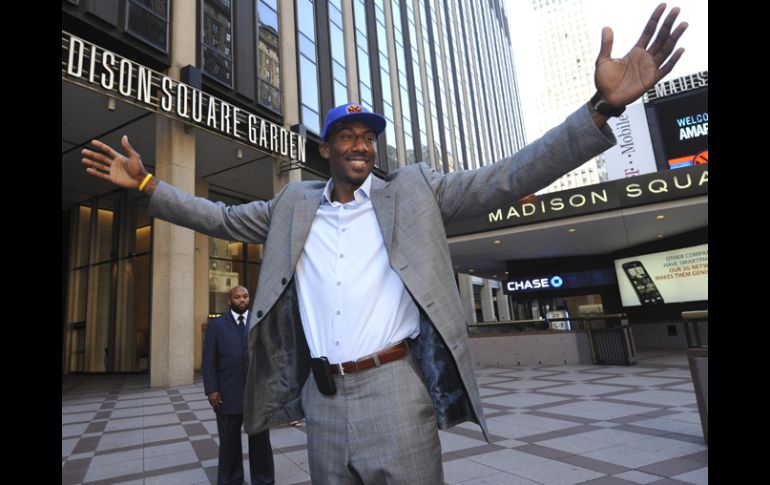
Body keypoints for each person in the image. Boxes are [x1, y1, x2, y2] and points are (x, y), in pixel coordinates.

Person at [81, 5, 687, 483]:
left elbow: (508, 176)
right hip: (320, 399)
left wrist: (599, 110)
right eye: (345, 135)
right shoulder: (293, 206)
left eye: (367, 137)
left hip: (397, 391)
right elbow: (216, 217)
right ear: (326, 149)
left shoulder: (415, 191)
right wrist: (147, 184)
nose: (359, 146)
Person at [203, 286, 275, 485]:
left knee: (261, 442)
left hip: (256, 394)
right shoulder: (217, 326)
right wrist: (212, 389)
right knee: (229, 443)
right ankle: (231, 480)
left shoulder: (259, 321)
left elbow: (269, 357)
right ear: (229, 301)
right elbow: (209, 360)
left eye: (245, 296)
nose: (242, 300)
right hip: (227, 393)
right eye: (237, 297)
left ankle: (264, 480)